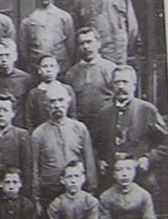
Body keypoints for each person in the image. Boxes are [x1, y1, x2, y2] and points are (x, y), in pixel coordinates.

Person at [107, 65, 168, 200]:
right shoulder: (105, 114)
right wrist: (102, 160)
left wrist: (148, 159)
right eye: (117, 82)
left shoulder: (147, 110)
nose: (121, 86)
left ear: (134, 85)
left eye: (125, 82)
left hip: (142, 177)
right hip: (115, 180)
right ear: (112, 86)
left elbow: (165, 143)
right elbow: (99, 144)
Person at [30, 82, 97, 205]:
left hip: (77, 190)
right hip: (49, 192)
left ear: (68, 101)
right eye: (52, 101)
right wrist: (36, 198)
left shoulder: (79, 128)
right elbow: (34, 168)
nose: (57, 105)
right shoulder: (38, 133)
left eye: (61, 100)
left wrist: (91, 189)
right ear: (46, 105)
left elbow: (89, 161)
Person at [63, 26, 118, 159]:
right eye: (82, 43)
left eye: (89, 42)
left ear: (98, 43)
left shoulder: (110, 69)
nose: (86, 47)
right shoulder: (71, 73)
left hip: (107, 126)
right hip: (83, 126)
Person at [73, 0, 139, 66]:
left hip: (117, 50)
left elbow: (132, 24)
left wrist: (125, 44)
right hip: (96, 52)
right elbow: (78, 29)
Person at [0, 92, 34, 203]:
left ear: (13, 113)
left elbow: (27, 167)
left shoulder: (22, 135)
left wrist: (25, 193)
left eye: (5, 110)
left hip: (17, 191)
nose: (1, 114)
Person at [21, 0, 77, 72]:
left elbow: (71, 48)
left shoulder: (64, 17)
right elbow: (24, 53)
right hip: (37, 72)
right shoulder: (28, 21)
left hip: (61, 71)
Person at [23, 53, 76, 132]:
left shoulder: (67, 89)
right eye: (45, 66)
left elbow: (72, 115)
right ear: (39, 70)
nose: (48, 70)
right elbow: (30, 120)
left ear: (58, 69)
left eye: (52, 66)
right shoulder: (34, 93)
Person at [0, 39, 35, 106]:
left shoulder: (26, 79)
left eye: (7, 55)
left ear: (15, 56)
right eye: (0, 55)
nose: (4, 59)